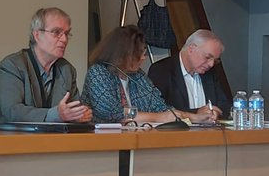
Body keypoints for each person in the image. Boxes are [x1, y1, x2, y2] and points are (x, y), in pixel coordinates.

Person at [82, 25, 217, 125]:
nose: (143, 58)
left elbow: (162, 108)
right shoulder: (98, 72)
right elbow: (112, 113)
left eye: (144, 52)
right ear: (122, 53)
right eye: (139, 53)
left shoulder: (138, 76)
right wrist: (159, 117)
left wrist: (197, 118)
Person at [0, 7, 92, 123]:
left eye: (66, 33)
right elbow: (12, 111)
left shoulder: (67, 69)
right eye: (56, 32)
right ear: (37, 35)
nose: (65, 39)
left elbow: (73, 109)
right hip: (15, 138)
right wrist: (56, 115)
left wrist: (80, 114)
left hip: (55, 139)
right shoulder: (12, 65)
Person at [147, 28, 231, 120]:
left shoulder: (210, 72)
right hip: (176, 133)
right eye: (207, 57)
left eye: (215, 60)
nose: (211, 64)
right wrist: (197, 114)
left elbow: (225, 105)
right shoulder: (161, 70)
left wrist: (215, 112)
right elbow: (158, 110)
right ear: (191, 49)